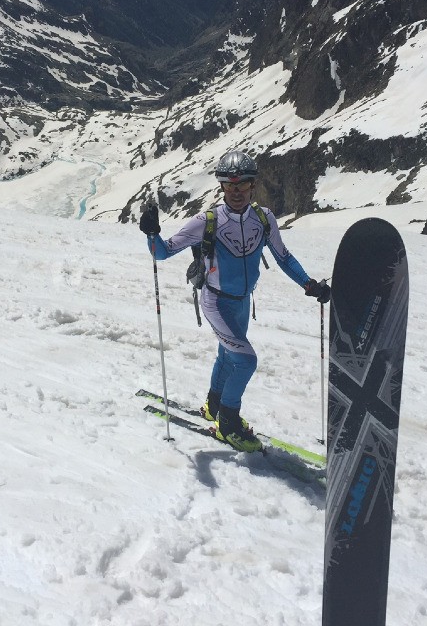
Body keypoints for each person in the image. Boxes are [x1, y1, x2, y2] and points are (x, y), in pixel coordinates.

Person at [139, 150, 330, 452]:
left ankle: (214, 407)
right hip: (215, 303)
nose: (236, 192)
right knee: (245, 359)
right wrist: (151, 232)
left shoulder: (264, 220)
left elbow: (283, 257)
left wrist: (308, 284)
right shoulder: (208, 221)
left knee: (228, 357)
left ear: (253, 185)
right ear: (222, 187)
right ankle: (228, 423)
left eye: (242, 185)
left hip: (241, 303)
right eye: (230, 186)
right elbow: (162, 252)